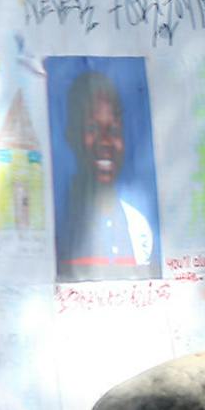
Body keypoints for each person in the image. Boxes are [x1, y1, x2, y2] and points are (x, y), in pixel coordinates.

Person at [54, 68, 157, 282]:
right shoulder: (60, 223)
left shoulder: (138, 225)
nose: (105, 142)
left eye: (114, 130)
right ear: (71, 135)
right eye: (92, 127)